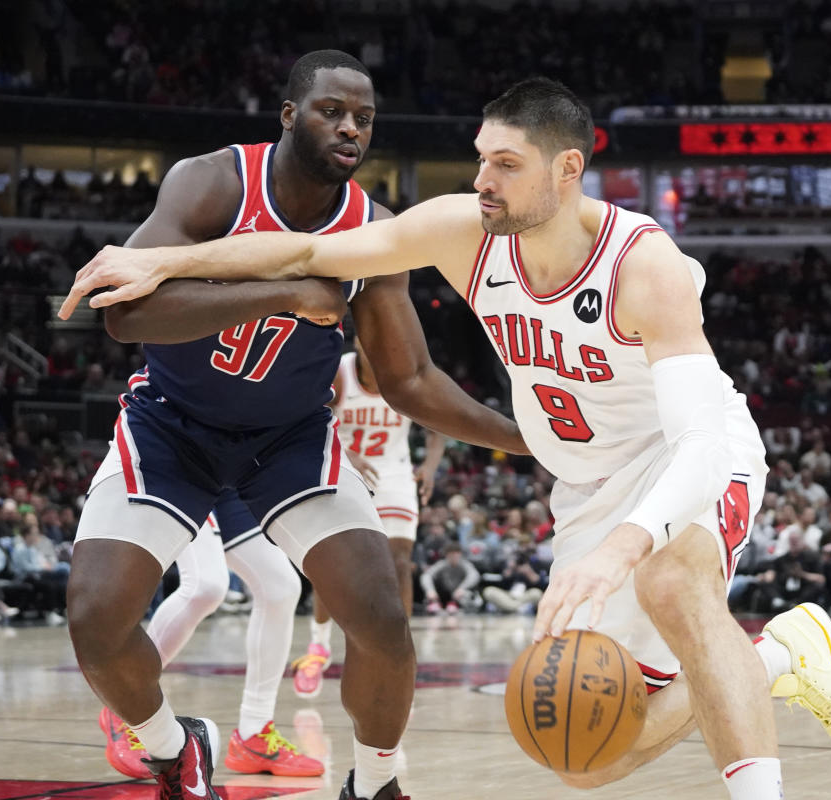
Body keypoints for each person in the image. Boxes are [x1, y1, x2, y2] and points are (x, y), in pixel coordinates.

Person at [60, 76, 831, 798]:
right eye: (482, 158)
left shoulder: (645, 265)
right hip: (589, 490)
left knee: (675, 584)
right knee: (587, 753)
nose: (483, 179)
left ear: (569, 169)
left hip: (682, 461)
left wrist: (623, 548)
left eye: (507, 164)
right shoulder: (464, 229)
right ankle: (779, 658)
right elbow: (314, 248)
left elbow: (703, 439)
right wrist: (165, 265)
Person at [58, 51, 525, 800]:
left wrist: (528, 441)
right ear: (287, 115)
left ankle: (374, 784)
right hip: (172, 426)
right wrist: (282, 291)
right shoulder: (211, 181)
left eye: (364, 118)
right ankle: (174, 748)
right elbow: (125, 315)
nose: (350, 127)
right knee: (94, 620)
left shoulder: (375, 231)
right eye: (331, 110)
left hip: (290, 440)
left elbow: (407, 379)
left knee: (380, 616)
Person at [100, 491, 324, 780]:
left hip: (228, 477)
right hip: (180, 464)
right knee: (206, 585)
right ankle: (124, 701)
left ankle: (254, 734)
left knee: (280, 587)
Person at [292, 339, 445, 698]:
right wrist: (347, 454)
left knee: (401, 562)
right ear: (358, 339)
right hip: (342, 464)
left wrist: (432, 466)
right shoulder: (340, 370)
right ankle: (319, 646)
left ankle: (399, 649)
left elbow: (436, 423)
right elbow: (310, 415)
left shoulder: (408, 369)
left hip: (393, 471)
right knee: (331, 564)